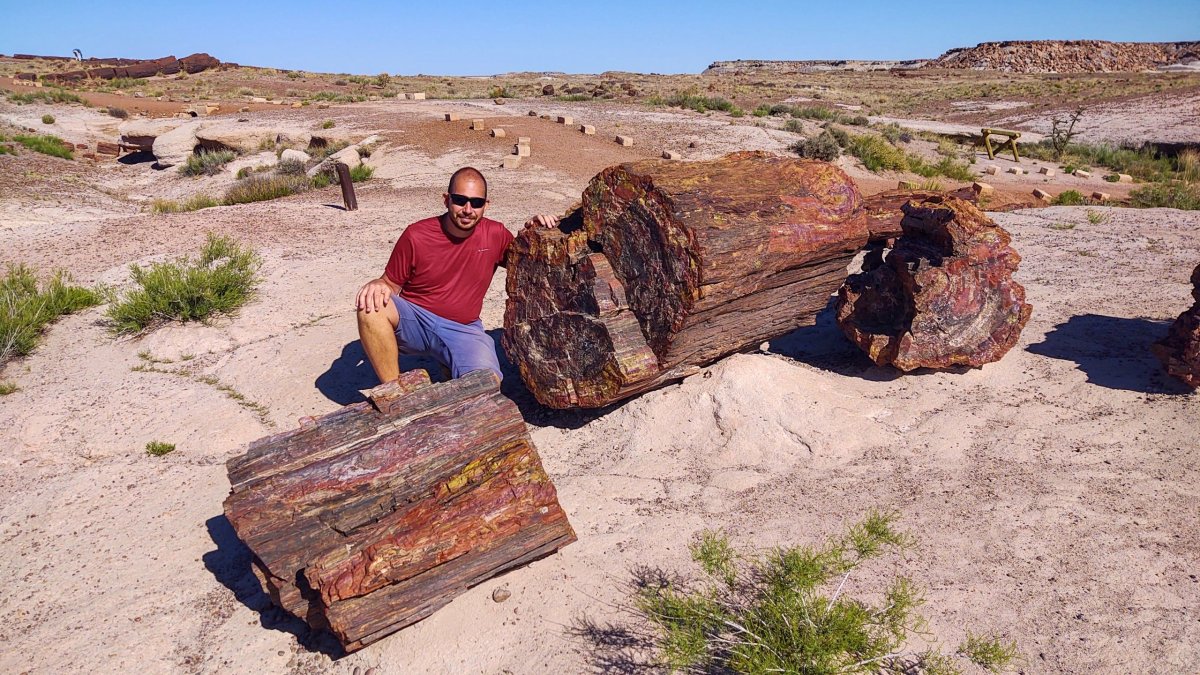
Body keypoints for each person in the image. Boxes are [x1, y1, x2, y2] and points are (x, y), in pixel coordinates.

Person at [355, 167, 556, 384]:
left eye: (476, 203)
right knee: (371, 306)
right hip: (416, 320)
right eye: (460, 200)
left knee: (486, 383)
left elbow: (526, 262)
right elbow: (390, 283)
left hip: (464, 328)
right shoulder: (416, 235)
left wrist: (537, 231)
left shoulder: (495, 234)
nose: (468, 209)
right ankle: (395, 394)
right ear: (446, 200)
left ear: (486, 206)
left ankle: (453, 363)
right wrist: (378, 283)